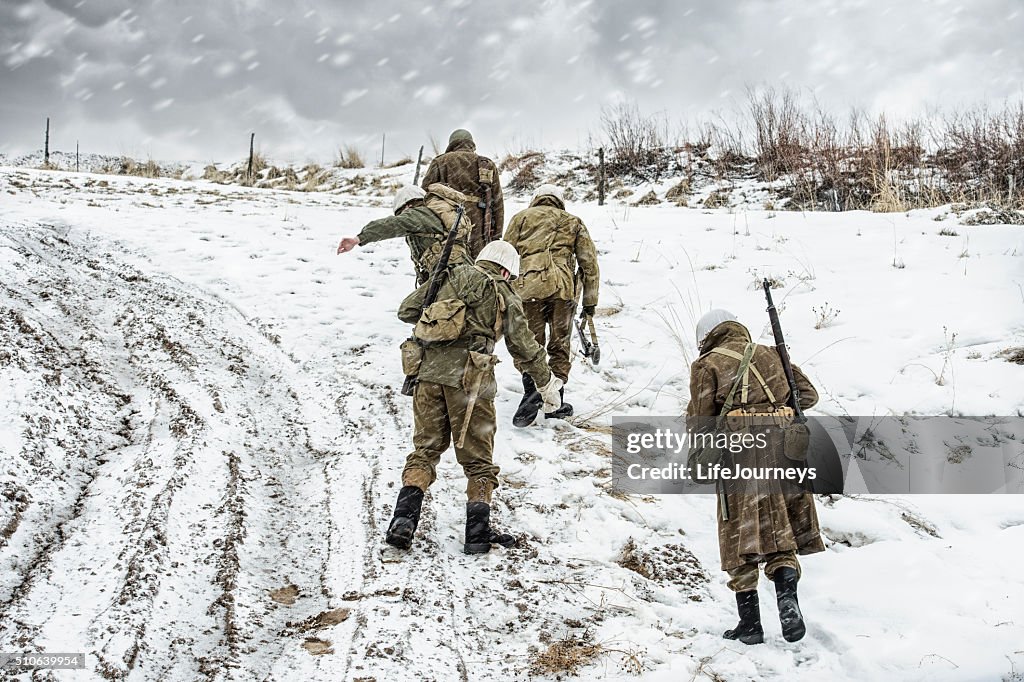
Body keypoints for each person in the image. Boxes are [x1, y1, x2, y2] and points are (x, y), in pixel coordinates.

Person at [387, 240, 562, 554]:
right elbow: (524, 346)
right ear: (507, 270)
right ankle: (478, 535)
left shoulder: (447, 276)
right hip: (471, 381)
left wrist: (438, 294)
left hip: (427, 377)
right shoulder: (504, 292)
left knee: (424, 452)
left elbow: (407, 310)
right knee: (479, 463)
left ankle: (403, 521)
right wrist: (547, 386)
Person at [687, 309, 823, 644]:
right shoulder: (772, 353)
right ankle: (788, 601)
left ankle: (750, 624)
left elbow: (701, 421)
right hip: (784, 454)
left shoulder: (707, 365)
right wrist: (777, 409)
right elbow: (808, 395)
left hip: (740, 455)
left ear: (707, 337)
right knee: (781, 534)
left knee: (738, 538)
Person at [503, 184, 599, 425]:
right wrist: (589, 303)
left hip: (528, 290)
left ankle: (533, 389)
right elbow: (589, 265)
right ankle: (555, 401)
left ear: (536, 199)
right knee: (560, 344)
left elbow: (505, 254)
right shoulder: (573, 221)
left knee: (529, 343)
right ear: (560, 201)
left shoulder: (521, 218)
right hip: (563, 291)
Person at [336, 183, 474, 285]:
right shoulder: (436, 215)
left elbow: (391, 225)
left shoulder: (417, 215)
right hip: (460, 271)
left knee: (409, 310)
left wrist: (358, 239)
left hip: (449, 275)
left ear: (407, 206)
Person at [420, 129, 503, 257]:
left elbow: (425, 194)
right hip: (479, 225)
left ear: (451, 144)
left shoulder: (440, 162)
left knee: (450, 261)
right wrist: (496, 234)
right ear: (471, 144)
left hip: (447, 222)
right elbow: (497, 201)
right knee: (478, 265)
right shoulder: (487, 164)